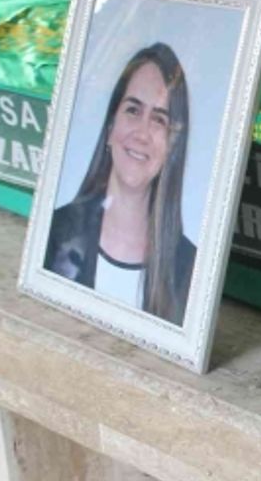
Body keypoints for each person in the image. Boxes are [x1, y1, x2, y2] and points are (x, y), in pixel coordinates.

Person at [43, 43, 196, 325]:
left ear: (172, 146)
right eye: (133, 110)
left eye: (159, 120)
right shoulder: (53, 233)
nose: (142, 133)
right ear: (110, 126)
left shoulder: (190, 268)